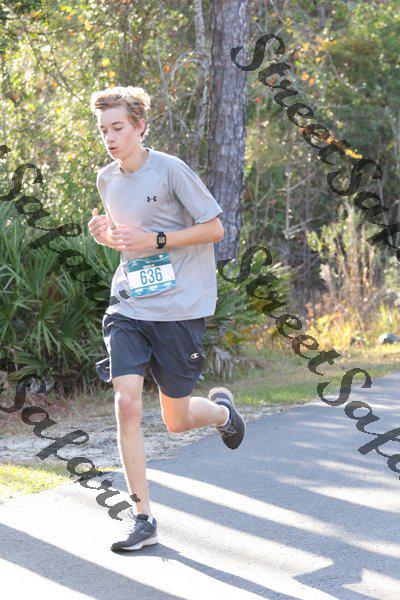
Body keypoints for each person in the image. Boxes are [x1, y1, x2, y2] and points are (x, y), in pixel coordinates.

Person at [88, 85, 246, 552]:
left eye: (118, 128)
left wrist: (156, 240)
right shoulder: (106, 179)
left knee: (175, 420)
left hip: (179, 309)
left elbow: (215, 228)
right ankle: (143, 519)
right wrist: (106, 236)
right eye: (103, 130)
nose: (110, 138)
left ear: (139, 126)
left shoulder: (171, 170)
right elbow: (128, 240)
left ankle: (222, 412)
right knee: (126, 404)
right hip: (129, 304)